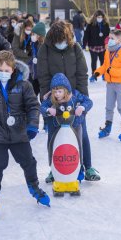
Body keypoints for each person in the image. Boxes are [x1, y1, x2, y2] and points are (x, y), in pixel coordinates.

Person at [0, 50, 50, 214]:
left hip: (19, 133)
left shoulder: (24, 85)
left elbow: (33, 107)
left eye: (7, 70)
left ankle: (34, 187)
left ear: (13, 70)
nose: (3, 73)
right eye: (0, 70)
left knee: (28, 161)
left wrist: (32, 125)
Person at [37, 21, 100, 182]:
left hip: (74, 97)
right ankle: (54, 168)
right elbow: (42, 75)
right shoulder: (45, 49)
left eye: (63, 39)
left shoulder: (75, 47)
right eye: (57, 40)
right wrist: (46, 97)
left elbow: (82, 74)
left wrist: (83, 99)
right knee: (53, 134)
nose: (61, 43)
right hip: (55, 99)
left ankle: (88, 166)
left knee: (81, 132)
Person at [40, 73, 93, 182]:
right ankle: (53, 169)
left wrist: (82, 107)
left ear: (66, 90)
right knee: (52, 144)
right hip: (57, 127)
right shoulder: (51, 99)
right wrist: (48, 110)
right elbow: (42, 107)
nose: (57, 94)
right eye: (55, 92)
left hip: (74, 126)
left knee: (78, 145)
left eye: (59, 91)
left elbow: (89, 101)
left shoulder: (75, 95)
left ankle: (79, 168)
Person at [93, 29, 121, 141]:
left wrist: (114, 72)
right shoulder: (108, 51)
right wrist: (97, 73)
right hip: (110, 84)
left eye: (112, 38)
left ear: (119, 39)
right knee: (109, 107)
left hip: (120, 84)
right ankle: (107, 128)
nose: (109, 40)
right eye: (109, 38)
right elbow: (105, 66)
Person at [83, 10, 110, 82]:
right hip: (93, 46)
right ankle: (94, 75)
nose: (100, 18)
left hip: (102, 46)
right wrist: (84, 44)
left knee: (103, 61)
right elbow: (86, 35)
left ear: (103, 17)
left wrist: (108, 44)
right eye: (98, 17)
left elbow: (108, 36)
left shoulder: (106, 25)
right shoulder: (90, 24)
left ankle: (104, 74)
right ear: (95, 17)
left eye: (101, 17)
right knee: (94, 61)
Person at [28, 22, 46, 97]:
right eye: (32, 34)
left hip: (42, 76)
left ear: (39, 35)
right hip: (33, 74)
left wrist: (39, 61)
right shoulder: (33, 44)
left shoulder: (44, 46)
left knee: (43, 97)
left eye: (34, 34)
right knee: (32, 96)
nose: (32, 36)